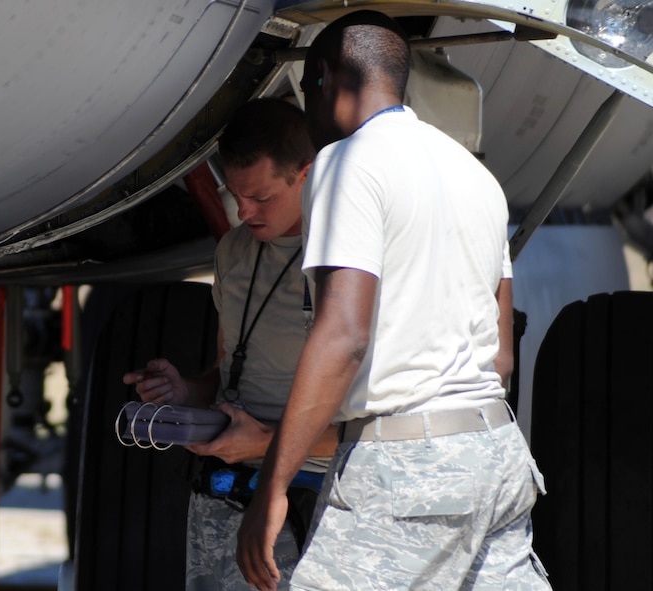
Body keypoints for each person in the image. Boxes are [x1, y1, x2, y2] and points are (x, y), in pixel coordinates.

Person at [236, 11, 551, 591]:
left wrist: (272, 488)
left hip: (408, 474)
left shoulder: (349, 160)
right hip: (497, 453)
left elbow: (344, 333)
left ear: (327, 77)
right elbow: (501, 355)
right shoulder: (476, 176)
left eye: (307, 89)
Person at [122, 97, 339, 591]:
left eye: (261, 197)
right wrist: (183, 392)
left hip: (318, 501)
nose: (243, 211)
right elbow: (225, 372)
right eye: (235, 194)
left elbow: (377, 425)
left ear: (306, 176)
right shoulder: (234, 250)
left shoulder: (346, 262)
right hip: (228, 497)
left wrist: (265, 443)